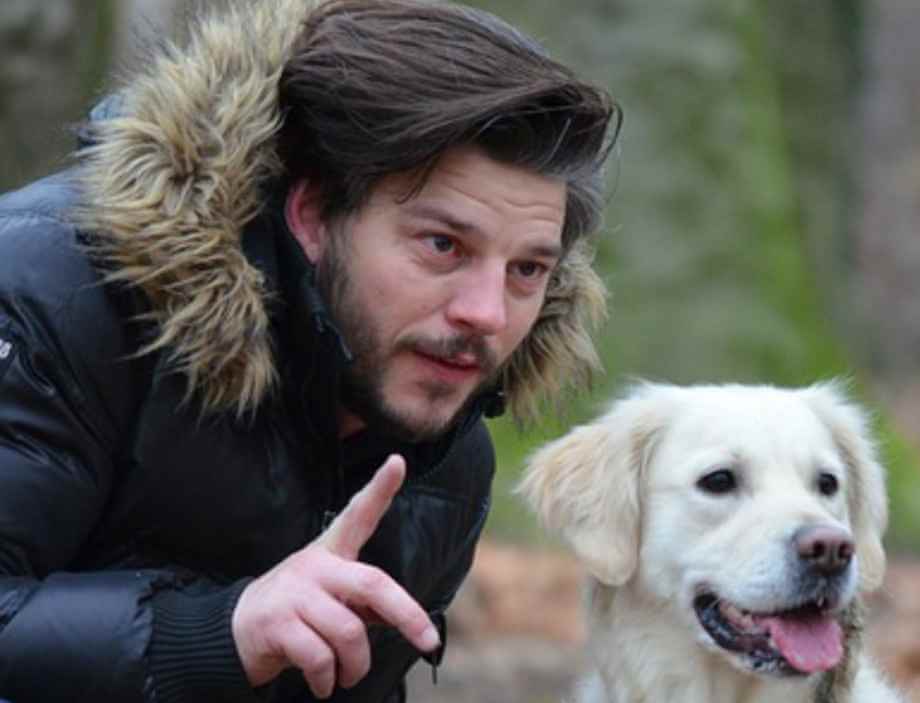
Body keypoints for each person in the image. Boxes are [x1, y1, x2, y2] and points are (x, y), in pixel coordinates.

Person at [0, 0, 620, 701]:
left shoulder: (445, 459)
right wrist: (220, 631)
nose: (486, 313)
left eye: (527, 270)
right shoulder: (50, 291)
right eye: (443, 245)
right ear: (314, 213)